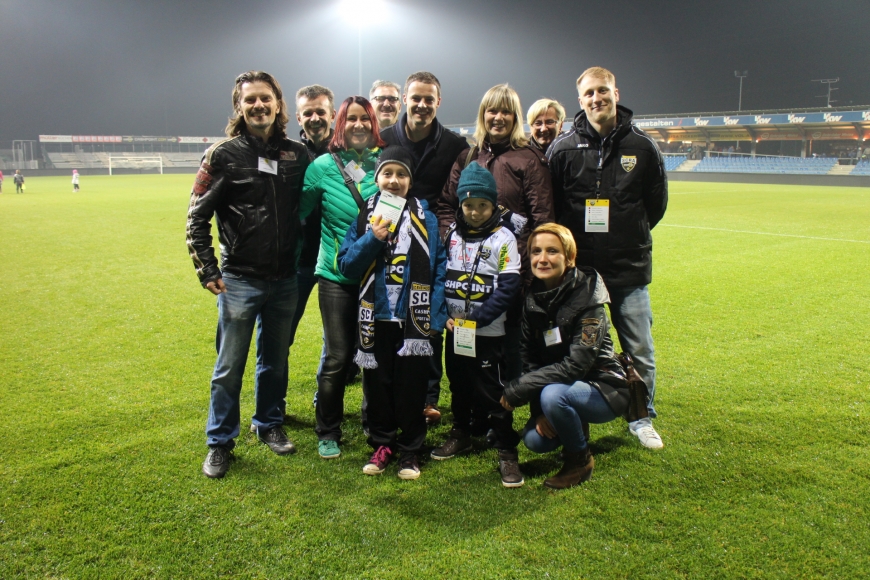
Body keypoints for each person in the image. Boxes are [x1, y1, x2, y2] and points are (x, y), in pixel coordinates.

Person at [186, 70, 310, 478]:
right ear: (239, 107)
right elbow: (196, 216)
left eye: (265, 98)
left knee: (275, 361)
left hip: (285, 278)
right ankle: (220, 441)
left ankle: (268, 423)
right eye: (250, 100)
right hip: (239, 278)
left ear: (278, 104)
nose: (258, 106)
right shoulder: (222, 154)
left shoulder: (297, 153)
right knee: (229, 366)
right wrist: (207, 267)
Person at [547, 66, 667, 449]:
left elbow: (656, 205)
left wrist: (626, 234)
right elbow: (553, 205)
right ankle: (571, 410)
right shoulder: (563, 148)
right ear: (580, 101)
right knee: (574, 346)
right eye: (589, 94)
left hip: (627, 268)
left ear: (616, 92)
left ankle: (641, 415)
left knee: (638, 347)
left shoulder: (643, 146)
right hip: (579, 275)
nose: (596, 98)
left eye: (603, 91)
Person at [337, 146, 447, 480]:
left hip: (414, 321)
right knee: (378, 386)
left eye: (401, 174)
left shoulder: (425, 218)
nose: (394, 180)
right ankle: (383, 443)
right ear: (377, 178)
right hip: (377, 319)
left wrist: (435, 317)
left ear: (410, 181)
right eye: (388, 173)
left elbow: (438, 269)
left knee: (411, 388)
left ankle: (411, 450)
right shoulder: (363, 217)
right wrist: (372, 238)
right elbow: (346, 266)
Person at [439, 84, 555, 384]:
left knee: (507, 349)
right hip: (465, 274)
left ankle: (500, 414)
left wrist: (526, 274)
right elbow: (445, 206)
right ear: (483, 114)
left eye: (506, 111)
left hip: (509, 276)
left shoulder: (529, 159)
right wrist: (452, 244)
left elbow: (542, 221)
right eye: (492, 110)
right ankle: (467, 414)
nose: (498, 117)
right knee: (463, 349)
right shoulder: (468, 156)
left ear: (516, 117)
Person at [500, 224, 631, 489]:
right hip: (562, 387)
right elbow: (530, 361)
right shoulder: (533, 296)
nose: (542, 258)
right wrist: (539, 412)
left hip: (605, 387)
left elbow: (577, 366)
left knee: (554, 396)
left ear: (569, 257)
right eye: (536, 251)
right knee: (535, 441)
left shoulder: (590, 298)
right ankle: (574, 425)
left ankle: (580, 462)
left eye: (552, 251)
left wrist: (522, 388)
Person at [381, 71, 469, 425]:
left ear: (438, 102)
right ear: (405, 99)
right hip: (387, 237)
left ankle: (428, 397)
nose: (421, 104)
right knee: (388, 313)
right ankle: (387, 389)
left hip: (430, 241)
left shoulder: (454, 145)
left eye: (428, 99)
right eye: (415, 98)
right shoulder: (384, 137)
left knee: (428, 311)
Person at [300, 95, 385, 460]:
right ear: (340, 124)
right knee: (337, 356)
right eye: (351, 119)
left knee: (372, 355)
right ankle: (327, 429)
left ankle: (374, 425)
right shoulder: (320, 166)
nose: (359, 125)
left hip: (375, 276)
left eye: (365, 119)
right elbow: (300, 214)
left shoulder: (385, 163)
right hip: (335, 275)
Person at [430, 162, 524, 487]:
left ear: (493, 204)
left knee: (492, 390)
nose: (474, 211)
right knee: (459, 384)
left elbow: (508, 286)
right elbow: (439, 279)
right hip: (456, 332)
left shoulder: (503, 239)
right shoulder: (452, 236)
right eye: (468, 205)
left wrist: (478, 319)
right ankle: (462, 432)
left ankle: (505, 447)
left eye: (482, 205)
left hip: (487, 333)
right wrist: (445, 316)